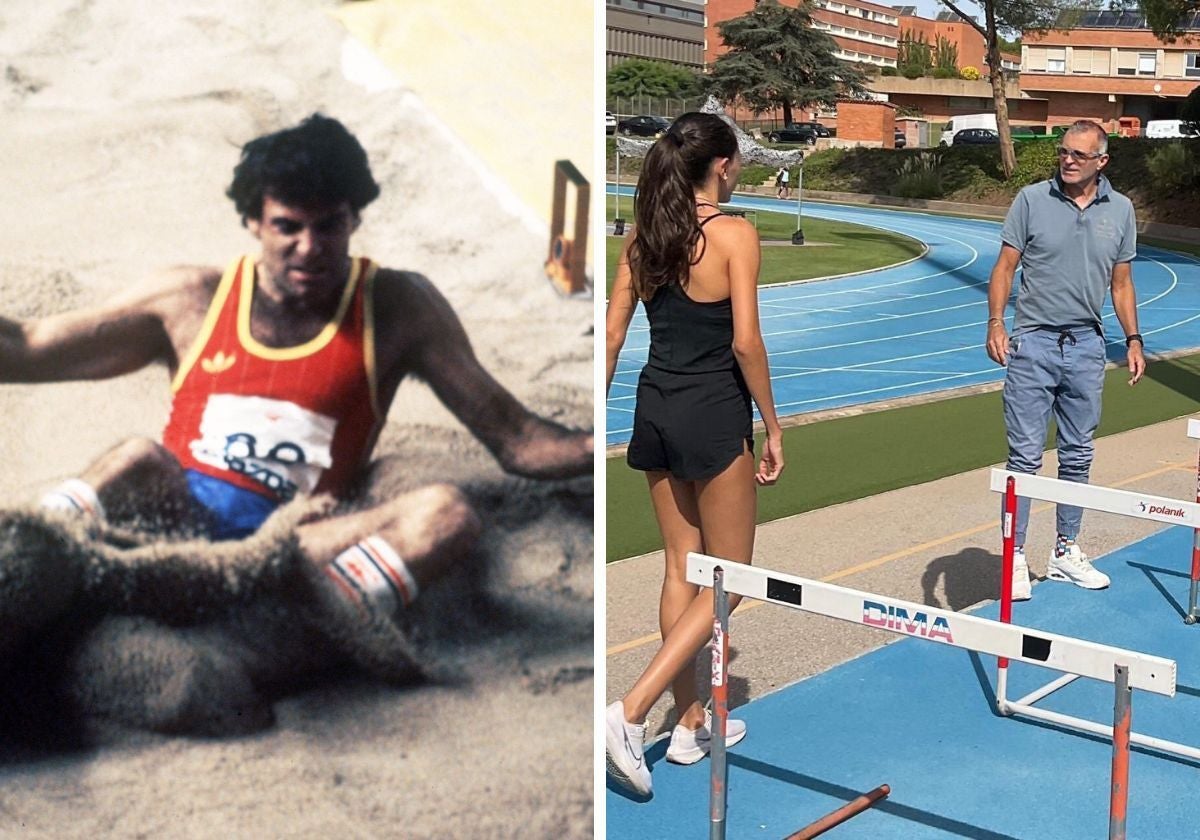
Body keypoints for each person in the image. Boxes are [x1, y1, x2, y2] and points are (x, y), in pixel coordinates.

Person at [0, 113, 592, 627]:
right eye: (288, 226)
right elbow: (26, 347)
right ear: (254, 222)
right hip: (170, 532)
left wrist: (615, 439)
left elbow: (519, 441)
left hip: (291, 551)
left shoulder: (397, 308)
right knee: (133, 459)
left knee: (446, 515)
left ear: (354, 220)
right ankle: (21, 570)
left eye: (328, 225)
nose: (309, 247)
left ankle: (302, 633)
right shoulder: (188, 300)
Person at [604, 112, 784, 797]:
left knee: (681, 564)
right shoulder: (735, 233)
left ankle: (689, 724)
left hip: (654, 406)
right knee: (732, 577)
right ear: (721, 167)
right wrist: (772, 424)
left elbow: (614, 334)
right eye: (737, 162)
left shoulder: (643, 237)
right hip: (712, 413)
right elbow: (745, 344)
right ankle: (629, 711)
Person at [985, 119, 1144, 603]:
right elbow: (1005, 266)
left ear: (1102, 161)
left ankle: (1064, 550)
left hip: (1087, 347)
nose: (1068, 160)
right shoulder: (1031, 200)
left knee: (1078, 454)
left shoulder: (1120, 210)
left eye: (1079, 154)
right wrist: (996, 322)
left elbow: (1121, 283)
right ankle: (1014, 555)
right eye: (1063, 152)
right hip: (1032, 344)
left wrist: (1134, 338)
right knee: (1025, 458)